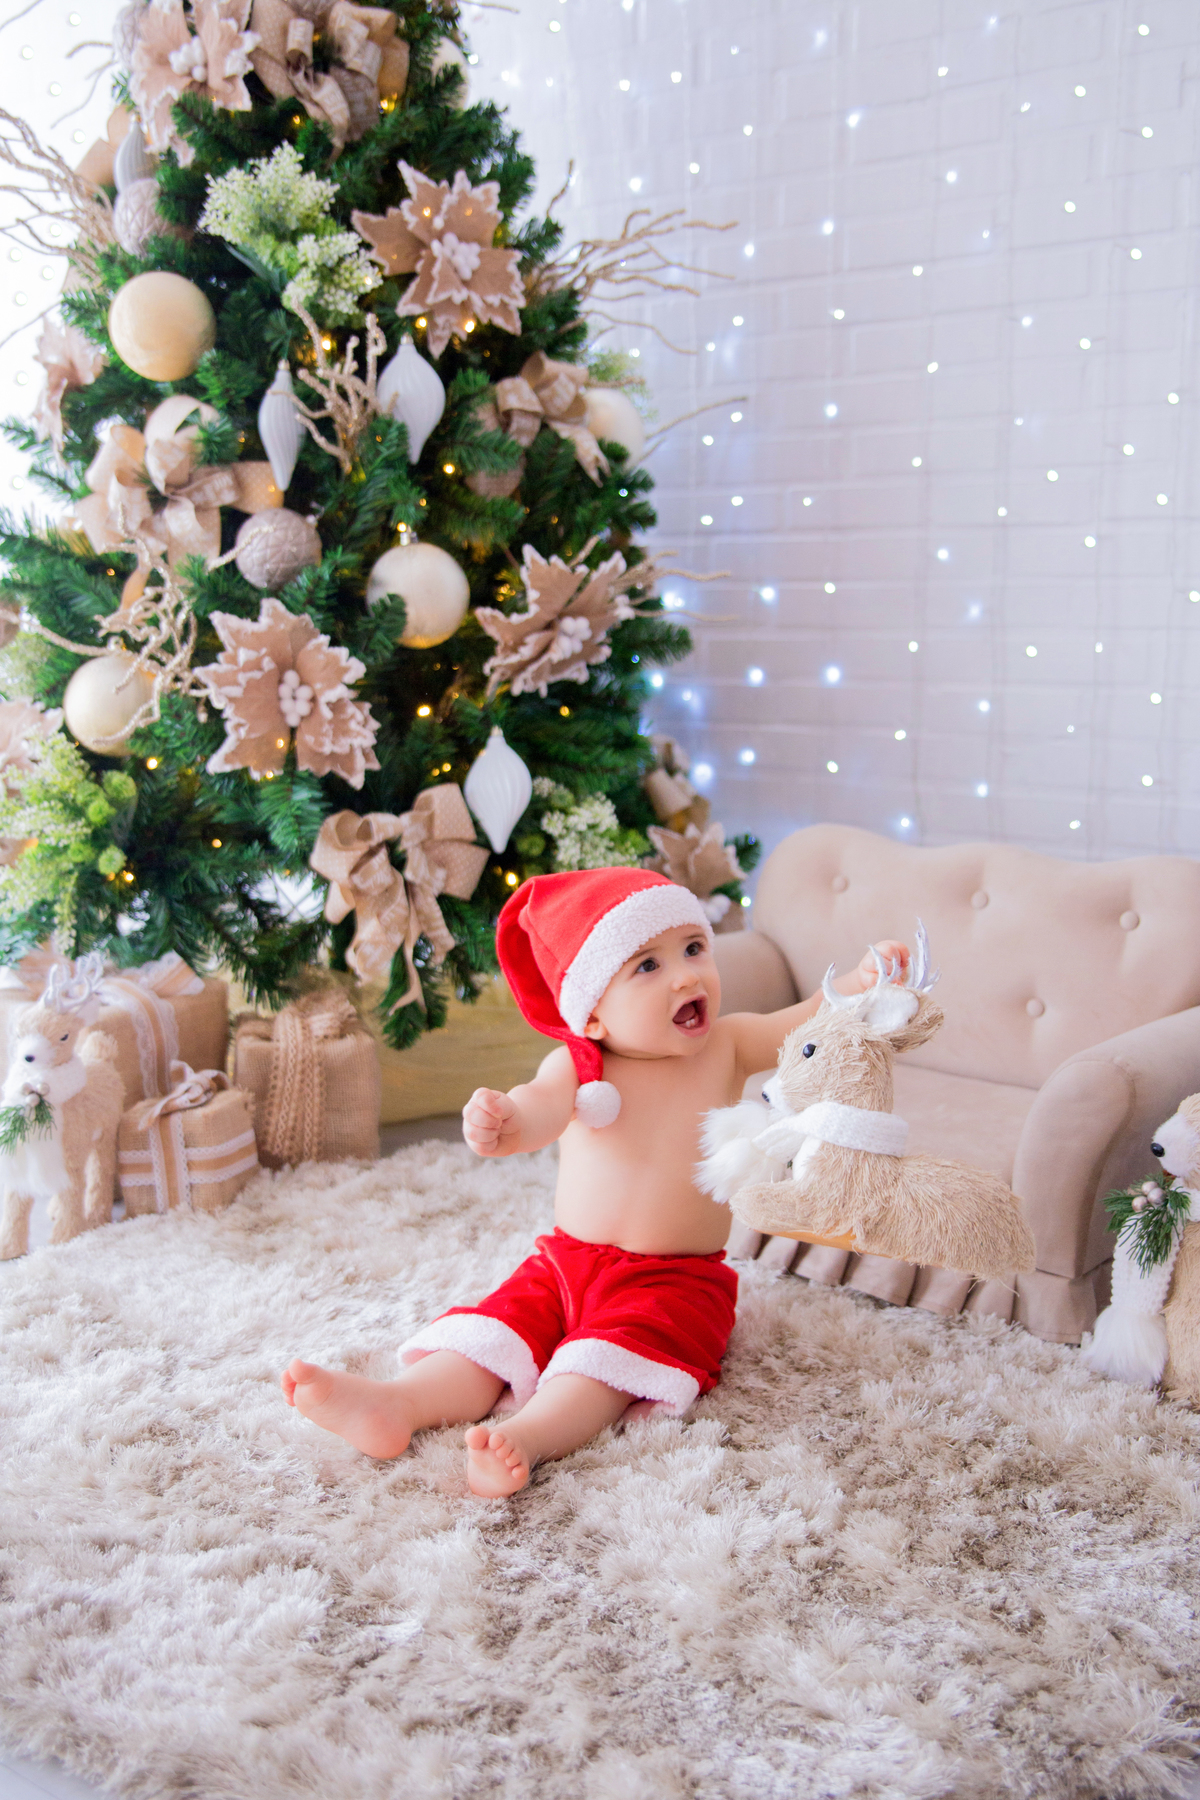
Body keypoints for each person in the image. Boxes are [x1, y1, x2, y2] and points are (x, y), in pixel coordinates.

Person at [282, 868, 910, 1496]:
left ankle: (528, 1437)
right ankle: (398, 1405)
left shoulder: (730, 1044)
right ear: (594, 1017)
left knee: (603, 1367)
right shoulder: (580, 1066)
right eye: (648, 966)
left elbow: (806, 1026)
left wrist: (859, 985)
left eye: (694, 949)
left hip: (675, 1280)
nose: (687, 975)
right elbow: (539, 1110)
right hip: (563, 1263)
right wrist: (505, 1123)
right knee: (494, 1334)